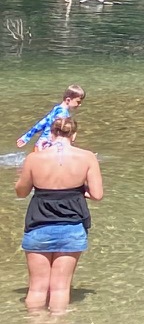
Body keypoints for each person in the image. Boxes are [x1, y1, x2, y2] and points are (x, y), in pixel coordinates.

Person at [14, 113, 102, 311]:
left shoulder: (34, 158)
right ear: (74, 135)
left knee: (37, 288)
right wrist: (77, 192)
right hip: (72, 226)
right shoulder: (87, 157)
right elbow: (97, 195)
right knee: (61, 288)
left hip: (38, 224)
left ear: (51, 134)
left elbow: (21, 192)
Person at [17, 85, 84, 150]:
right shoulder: (62, 115)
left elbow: (41, 124)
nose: (80, 104)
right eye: (78, 102)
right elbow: (59, 133)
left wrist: (26, 137)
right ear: (68, 100)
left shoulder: (56, 109)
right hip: (48, 146)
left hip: (40, 144)